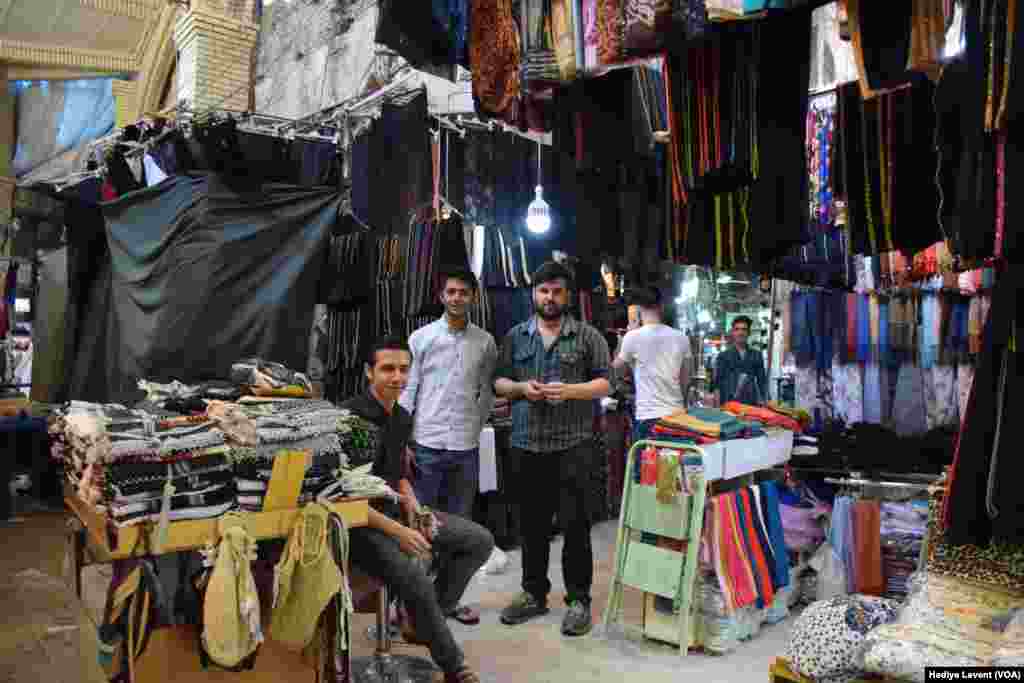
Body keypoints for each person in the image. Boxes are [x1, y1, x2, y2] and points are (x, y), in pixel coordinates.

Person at [341, 336, 494, 683]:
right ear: (369, 372)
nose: (397, 377)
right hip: (360, 522)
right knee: (415, 575)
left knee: (478, 540)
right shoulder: (351, 418)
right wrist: (400, 531)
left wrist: (415, 506)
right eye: (388, 369)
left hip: (393, 511)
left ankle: (419, 621)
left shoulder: (401, 416)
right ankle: (454, 666)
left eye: (403, 369)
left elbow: (397, 476)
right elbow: (346, 495)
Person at [493, 261, 612, 637]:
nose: (549, 297)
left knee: (576, 527)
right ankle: (533, 593)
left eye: (556, 291)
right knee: (532, 526)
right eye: (543, 291)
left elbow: (606, 383)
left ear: (568, 295)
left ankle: (578, 601)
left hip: (574, 446)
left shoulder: (587, 336)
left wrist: (571, 391)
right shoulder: (516, 336)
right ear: (534, 293)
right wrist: (519, 389)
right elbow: (499, 382)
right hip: (526, 444)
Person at [399, 269, 497, 625]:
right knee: (422, 528)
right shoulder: (422, 338)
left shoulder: (484, 342)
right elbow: (409, 390)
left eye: (463, 293)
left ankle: (445, 602)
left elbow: (487, 390)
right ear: (441, 296)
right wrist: (402, 439)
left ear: (473, 297)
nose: (456, 298)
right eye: (450, 292)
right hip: (426, 442)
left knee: (459, 528)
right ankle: (411, 606)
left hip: (464, 446)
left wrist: (477, 422)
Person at [611, 286, 691, 441]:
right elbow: (686, 379)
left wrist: (624, 338)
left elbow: (614, 371)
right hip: (677, 415)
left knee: (647, 464)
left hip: (648, 417)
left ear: (638, 309)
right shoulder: (681, 337)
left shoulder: (632, 337)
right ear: (661, 306)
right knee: (673, 464)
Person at [715, 315, 768, 405]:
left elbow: (762, 382)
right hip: (729, 404)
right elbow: (717, 384)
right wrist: (717, 407)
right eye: (737, 329)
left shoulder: (756, 355)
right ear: (732, 332)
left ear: (749, 332)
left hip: (750, 405)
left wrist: (766, 401)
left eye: (744, 329)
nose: (740, 332)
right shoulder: (723, 356)